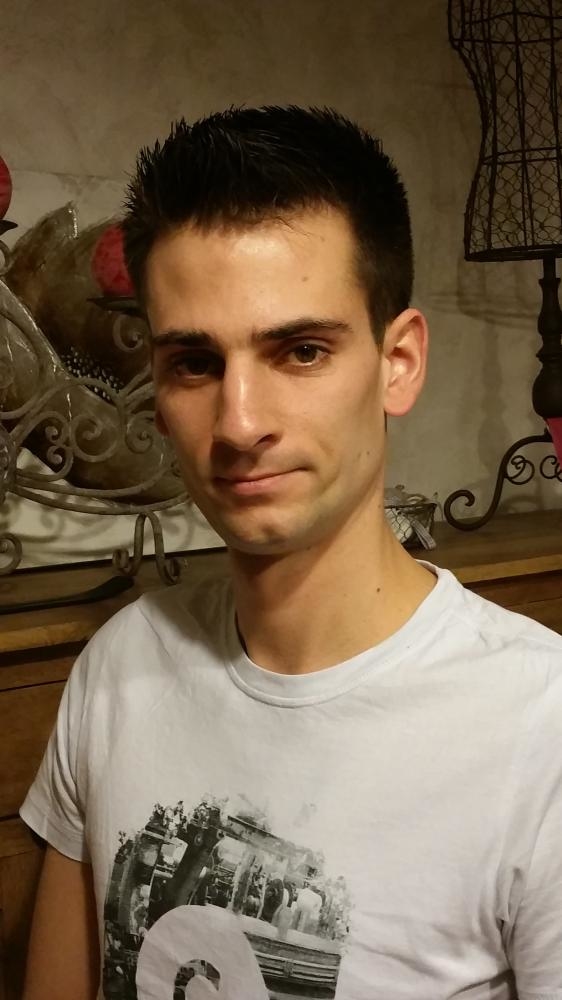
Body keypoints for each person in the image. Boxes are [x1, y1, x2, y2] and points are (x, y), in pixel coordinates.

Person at [20, 106, 562, 1000]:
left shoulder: (537, 729)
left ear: (398, 362)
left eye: (301, 351)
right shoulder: (118, 667)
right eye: (195, 363)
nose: (239, 424)